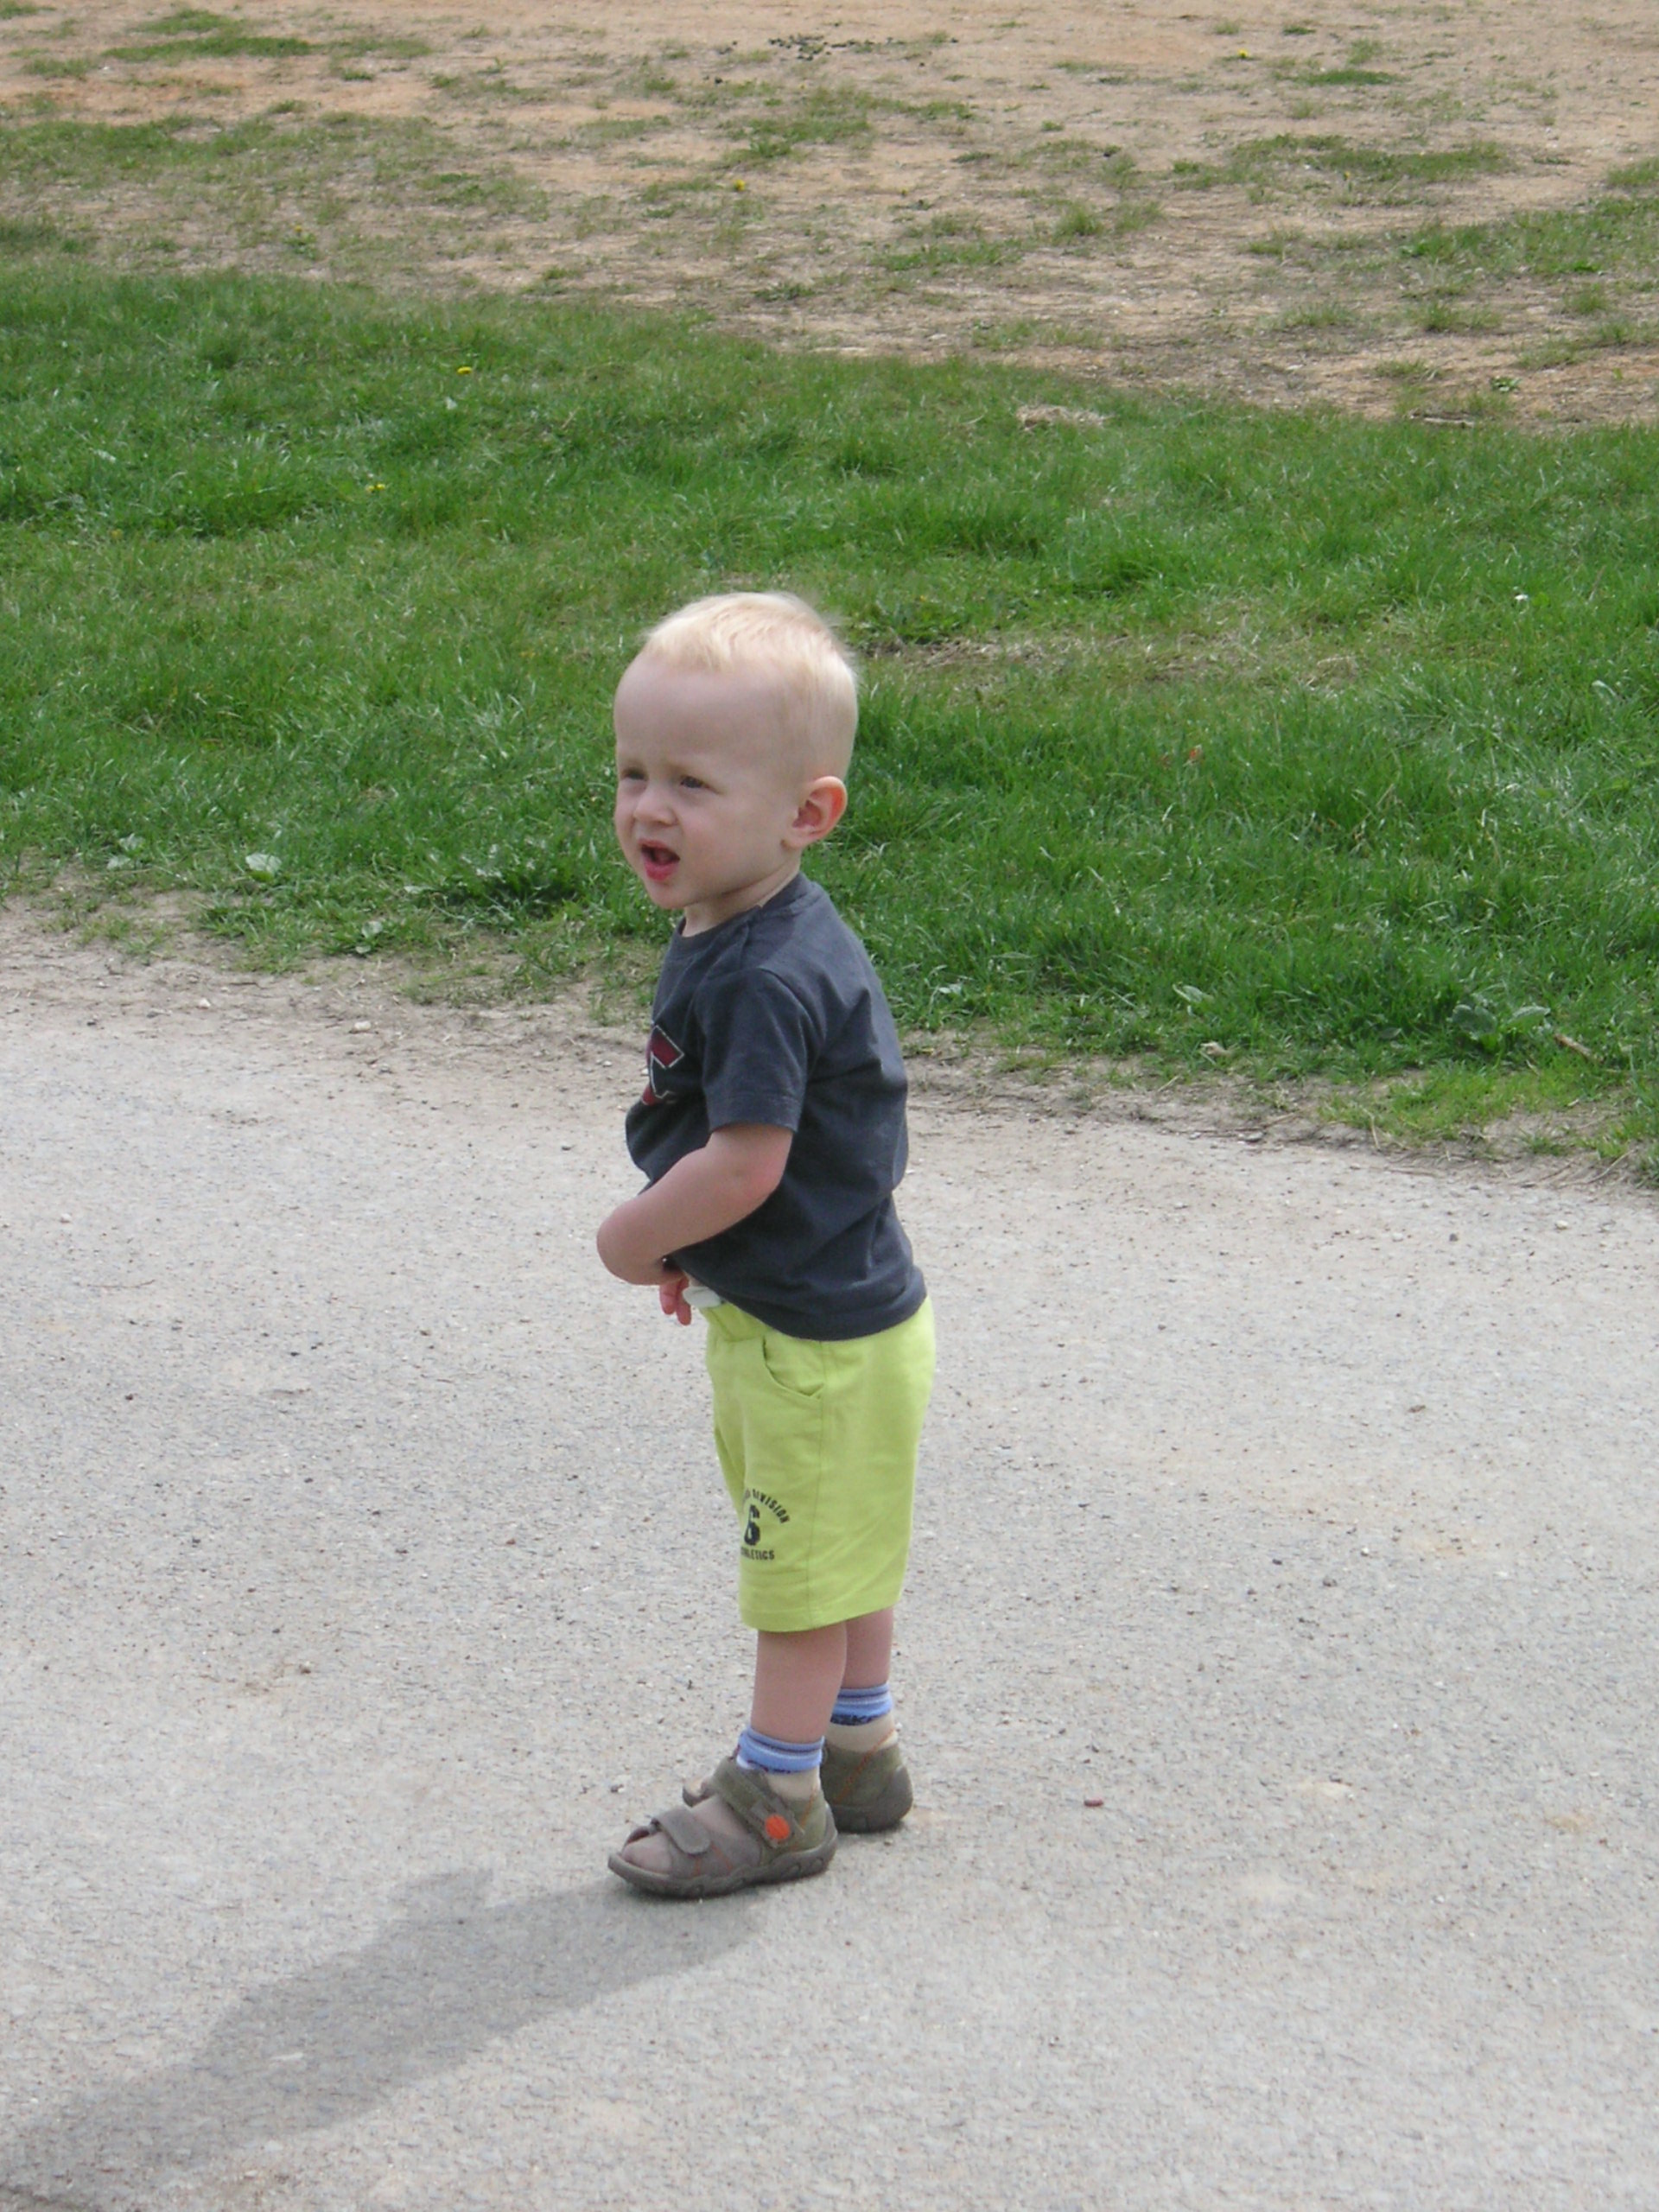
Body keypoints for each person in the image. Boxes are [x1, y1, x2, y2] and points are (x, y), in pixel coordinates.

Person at [596, 591, 934, 1899]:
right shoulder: (748, 923)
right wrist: (709, 1252)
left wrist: (636, 1239)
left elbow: (747, 1162)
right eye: (633, 772)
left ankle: (779, 1798)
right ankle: (860, 1752)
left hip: (813, 1344)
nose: (650, 808)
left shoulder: (759, 972)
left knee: (794, 1576)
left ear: (808, 813)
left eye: (692, 782)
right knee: (841, 1546)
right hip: (830, 1310)